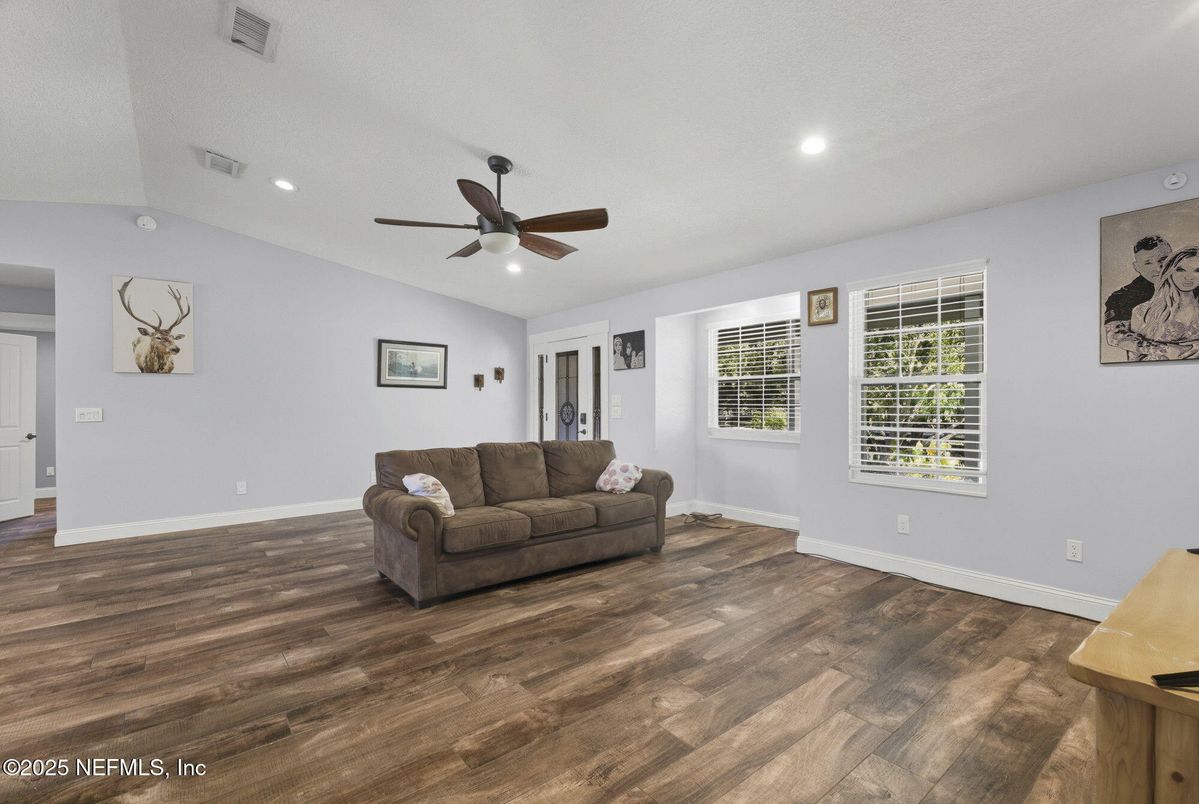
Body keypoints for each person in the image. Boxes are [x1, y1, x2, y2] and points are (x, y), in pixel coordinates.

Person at [1104, 235, 1173, 360]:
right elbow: (1115, 336)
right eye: (1148, 263)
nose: (1158, 268)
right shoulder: (1121, 297)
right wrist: (1165, 350)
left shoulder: (1195, 288)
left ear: (1174, 259)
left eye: (1163, 260)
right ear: (1137, 267)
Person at [1131, 247, 1199, 360]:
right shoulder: (1142, 311)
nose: (1188, 277)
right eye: (1181, 269)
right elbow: (1134, 360)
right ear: (1169, 271)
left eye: (1197, 270)